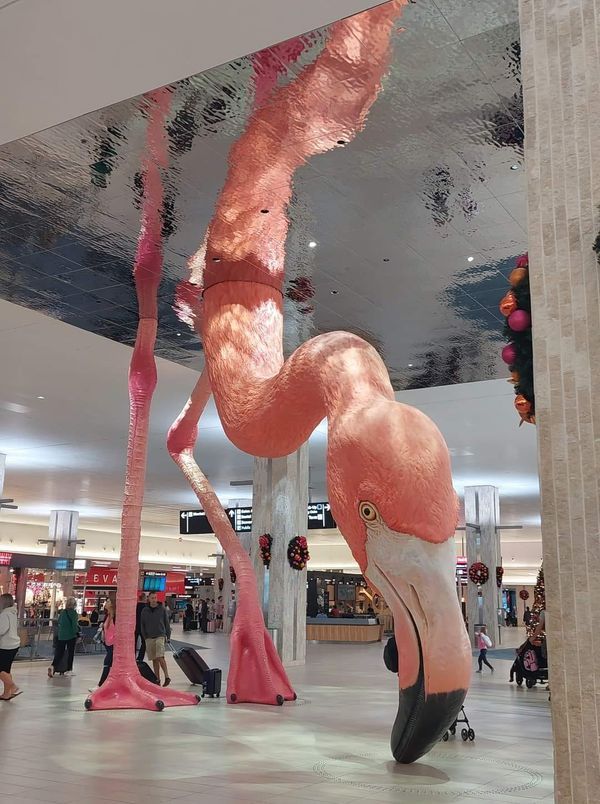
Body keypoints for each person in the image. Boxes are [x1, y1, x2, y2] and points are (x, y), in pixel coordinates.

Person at [140, 592, 171, 687]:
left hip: (160, 635)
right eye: (152, 598)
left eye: (155, 598)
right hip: (149, 637)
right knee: (154, 659)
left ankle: (167, 676)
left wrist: (168, 636)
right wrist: (145, 637)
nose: (154, 599)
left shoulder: (162, 609)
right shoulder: (145, 610)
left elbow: (166, 623)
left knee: (160, 656)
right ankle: (157, 679)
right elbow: (142, 624)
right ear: (148, 599)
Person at [48, 597, 79, 678]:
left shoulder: (63, 612)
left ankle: (53, 666)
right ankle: (69, 669)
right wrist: (77, 633)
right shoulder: (74, 613)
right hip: (71, 636)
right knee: (70, 652)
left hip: (61, 635)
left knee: (59, 652)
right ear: (74, 605)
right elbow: (74, 626)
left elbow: (59, 621)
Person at [0, 593, 22, 700]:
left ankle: (13, 687)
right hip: (13, 644)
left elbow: (2, 629)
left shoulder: (4, 614)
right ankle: (6, 693)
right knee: (6, 670)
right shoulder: (13, 613)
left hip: (6, 645)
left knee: (1, 670)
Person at [98, 600, 116, 687]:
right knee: (110, 663)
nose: (106, 603)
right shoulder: (107, 616)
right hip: (107, 643)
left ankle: (101, 683)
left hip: (113, 643)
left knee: (107, 662)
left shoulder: (114, 617)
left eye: (108, 602)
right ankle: (107, 683)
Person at [135, 593, 147, 662]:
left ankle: (132, 655)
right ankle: (140, 657)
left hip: (135, 626)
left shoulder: (135, 606)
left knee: (134, 642)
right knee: (144, 643)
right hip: (143, 627)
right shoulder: (146, 607)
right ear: (144, 598)